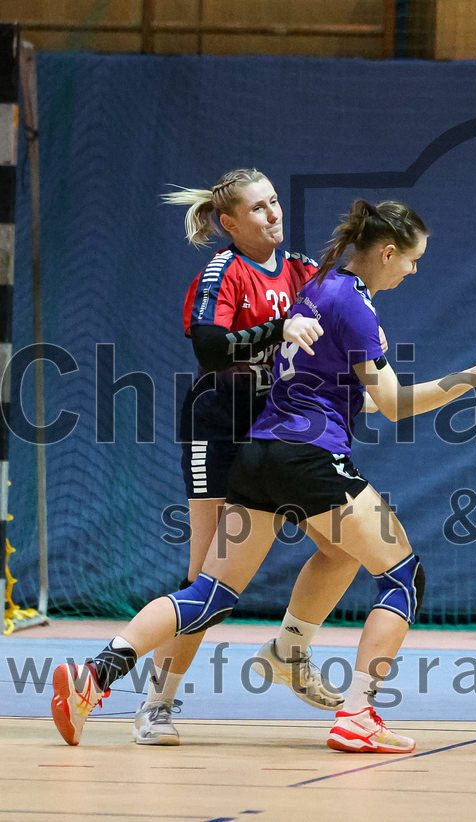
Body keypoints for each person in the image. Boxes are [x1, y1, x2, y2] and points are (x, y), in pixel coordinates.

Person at [50, 198, 476, 752]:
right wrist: (470, 378)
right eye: (412, 259)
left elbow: (347, 391)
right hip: (309, 457)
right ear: (388, 252)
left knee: (212, 592)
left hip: (260, 455)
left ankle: (97, 675)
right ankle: (358, 714)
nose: (413, 270)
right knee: (402, 576)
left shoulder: (317, 286)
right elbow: (391, 404)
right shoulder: (353, 304)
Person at [135, 168, 361, 745]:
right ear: (229, 223)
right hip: (220, 430)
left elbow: (343, 301)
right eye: (258, 208)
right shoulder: (224, 271)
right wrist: (280, 329)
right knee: (206, 577)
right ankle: (156, 704)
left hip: (278, 435)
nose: (273, 214)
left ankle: (290, 650)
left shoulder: (301, 270)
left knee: (341, 549)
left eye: (275, 202)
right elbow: (211, 348)